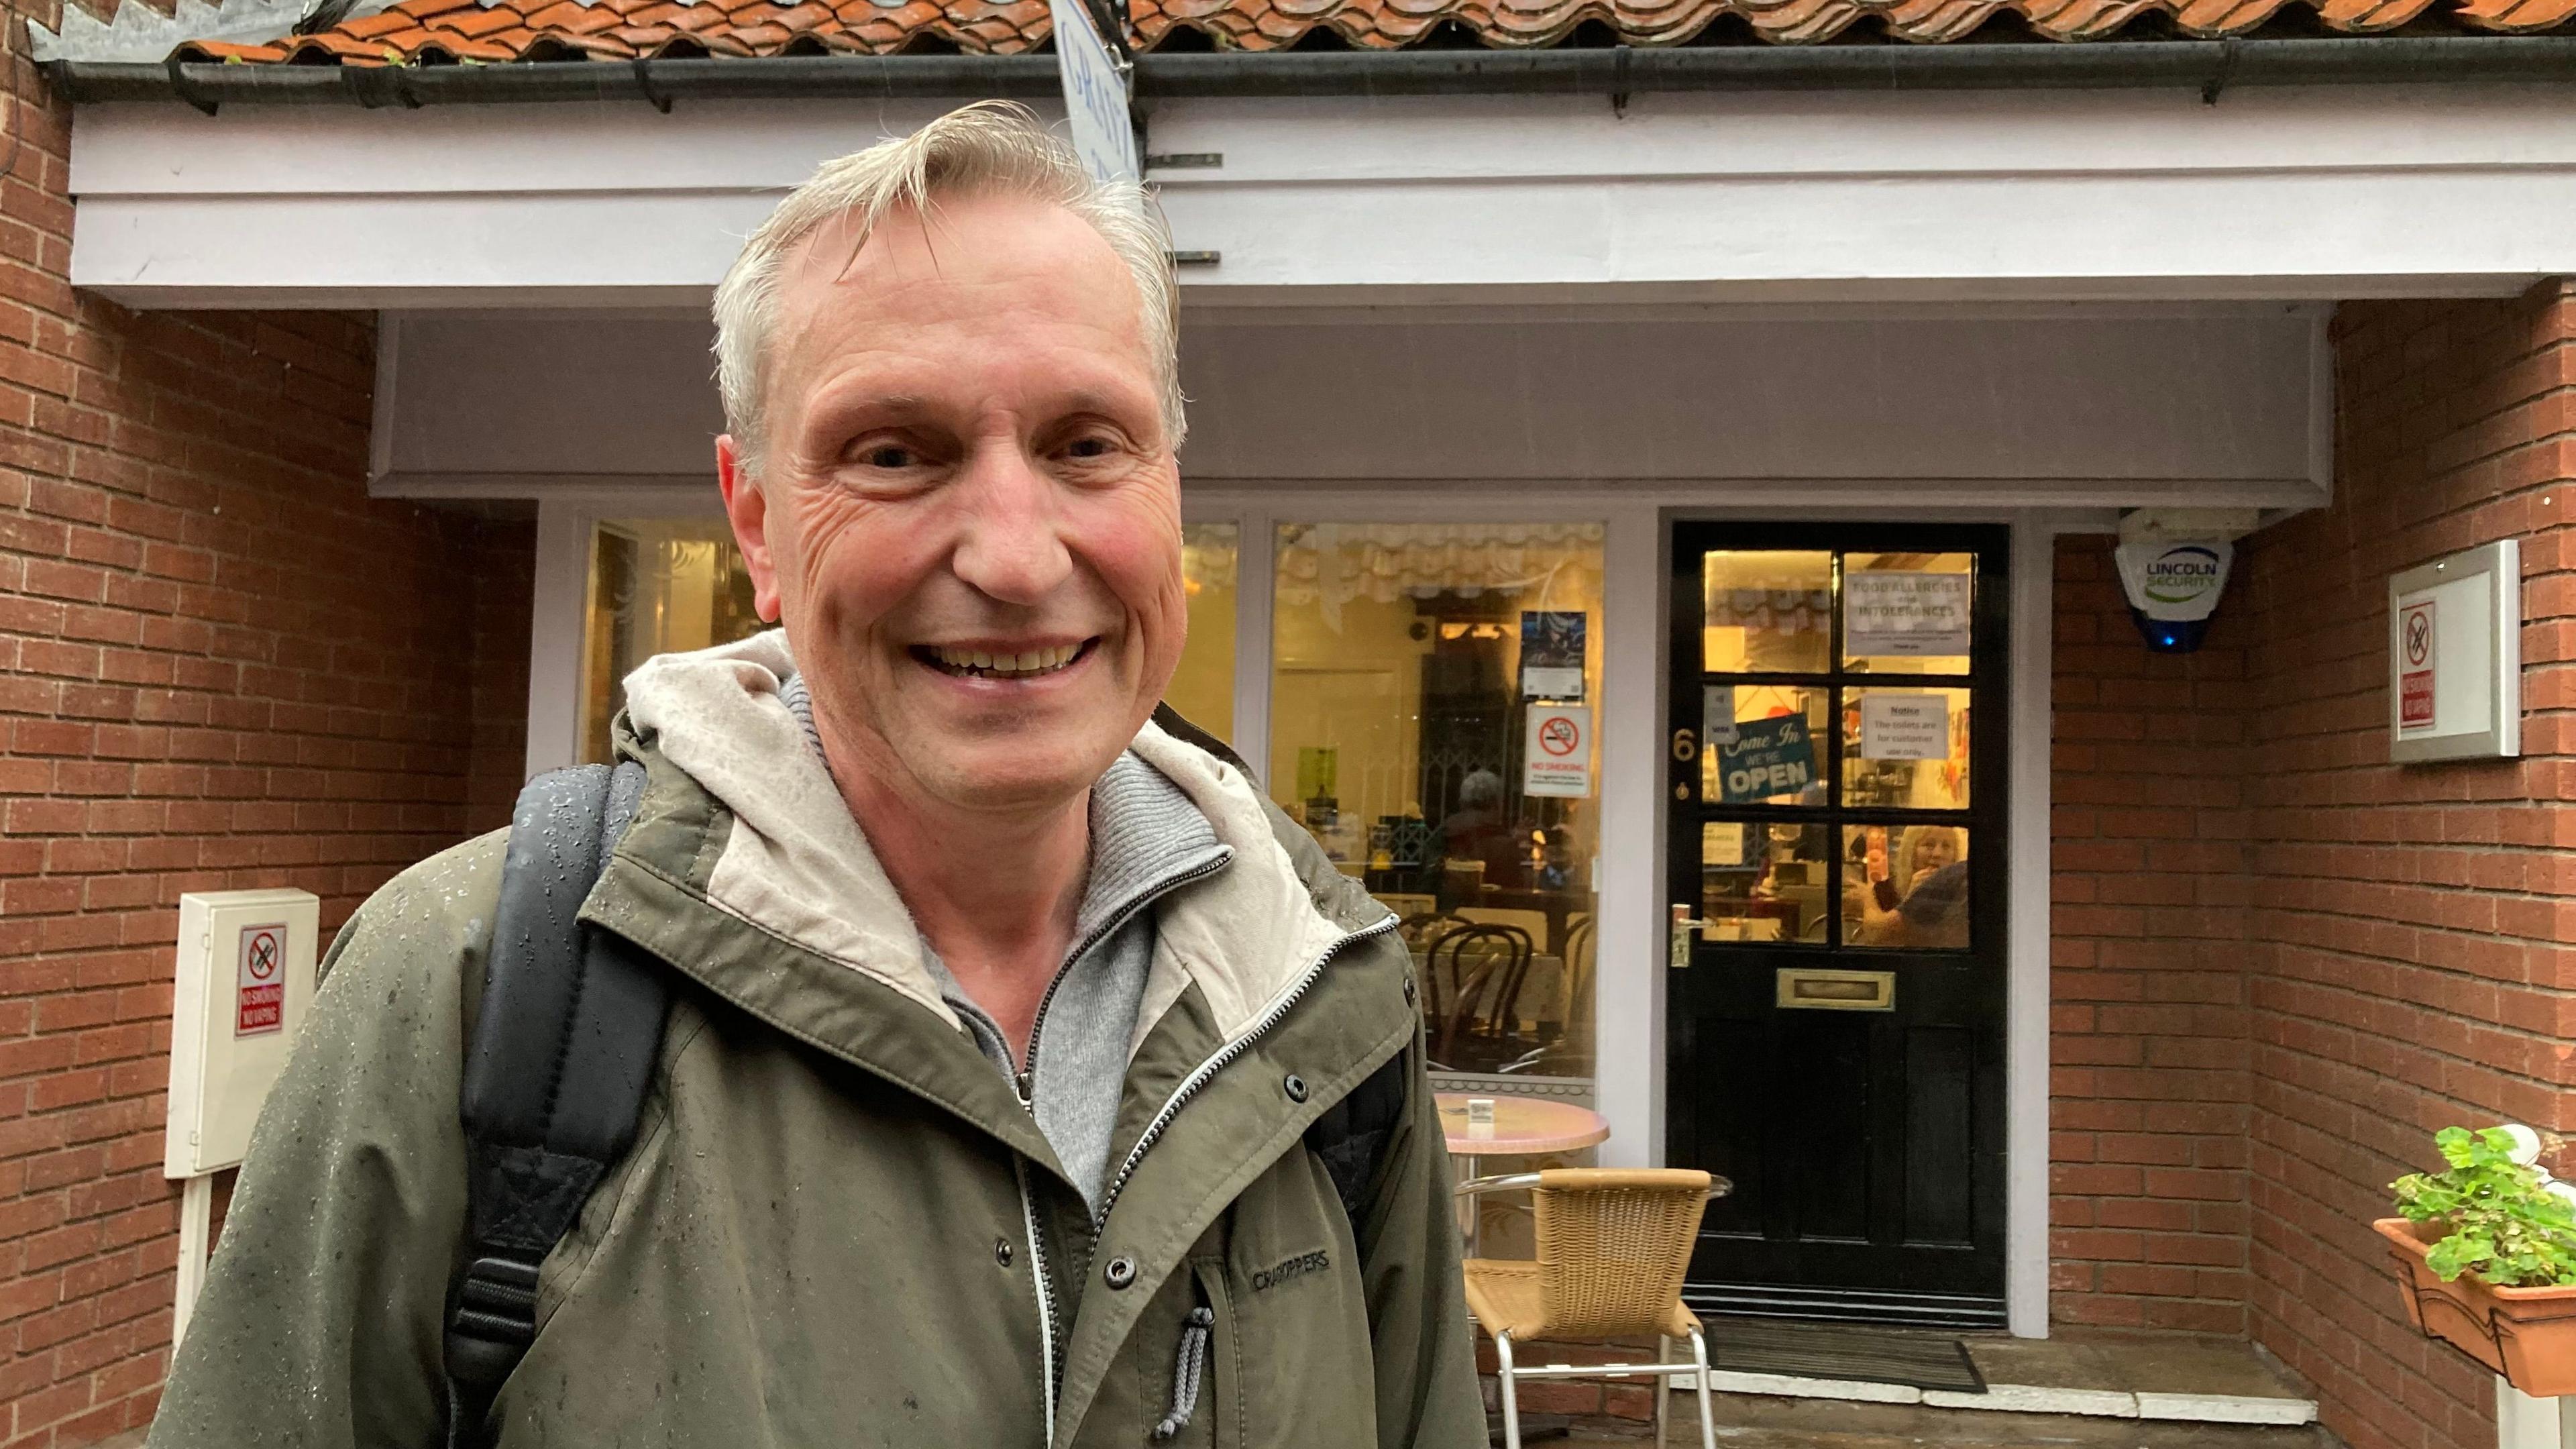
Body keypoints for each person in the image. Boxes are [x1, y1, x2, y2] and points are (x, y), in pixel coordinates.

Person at [148, 103, 1482, 1449]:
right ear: (756, 526)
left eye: (1088, 444)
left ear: (1168, 487)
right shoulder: (471, 981)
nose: (1016, 560)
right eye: (895, 453)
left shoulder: (1328, 993)